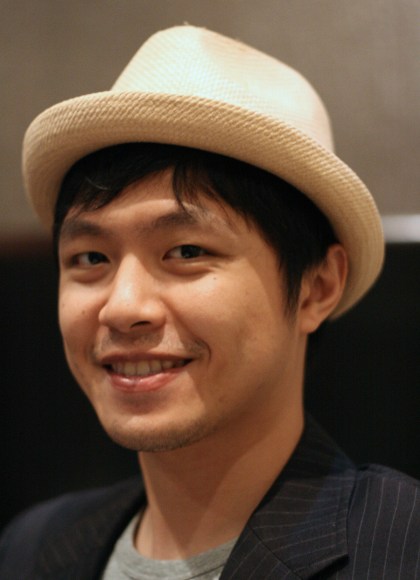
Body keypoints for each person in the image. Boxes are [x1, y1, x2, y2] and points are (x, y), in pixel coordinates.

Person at [0, 25, 418, 579]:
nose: (122, 307)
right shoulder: (31, 548)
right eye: (90, 258)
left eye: (187, 251)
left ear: (317, 287)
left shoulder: (399, 547)